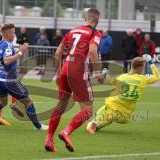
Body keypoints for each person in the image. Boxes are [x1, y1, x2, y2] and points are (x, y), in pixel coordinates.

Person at [44, 8, 103, 152]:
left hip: (65, 69)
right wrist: (97, 72)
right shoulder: (95, 33)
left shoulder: (72, 31)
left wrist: (58, 72)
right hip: (79, 70)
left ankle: (49, 140)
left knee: (61, 105)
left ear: (86, 19)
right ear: (97, 21)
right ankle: (66, 132)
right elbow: (93, 50)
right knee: (88, 110)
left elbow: (58, 53)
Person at [0, 23, 48, 131]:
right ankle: (38, 126)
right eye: (13, 33)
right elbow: (7, 60)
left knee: (2, 102)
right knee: (28, 101)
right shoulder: (7, 45)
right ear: (8, 34)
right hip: (10, 80)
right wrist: (20, 52)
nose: (14, 35)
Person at [87, 55, 160, 134]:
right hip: (126, 115)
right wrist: (150, 62)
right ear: (140, 68)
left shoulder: (122, 77)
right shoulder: (144, 79)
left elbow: (109, 81)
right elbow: (157, 77)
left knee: (104, 116)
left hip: (113, 107)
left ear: (132, 65)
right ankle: (96, 123)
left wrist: (105, 73)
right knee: (105, 114)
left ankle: (94, 124)